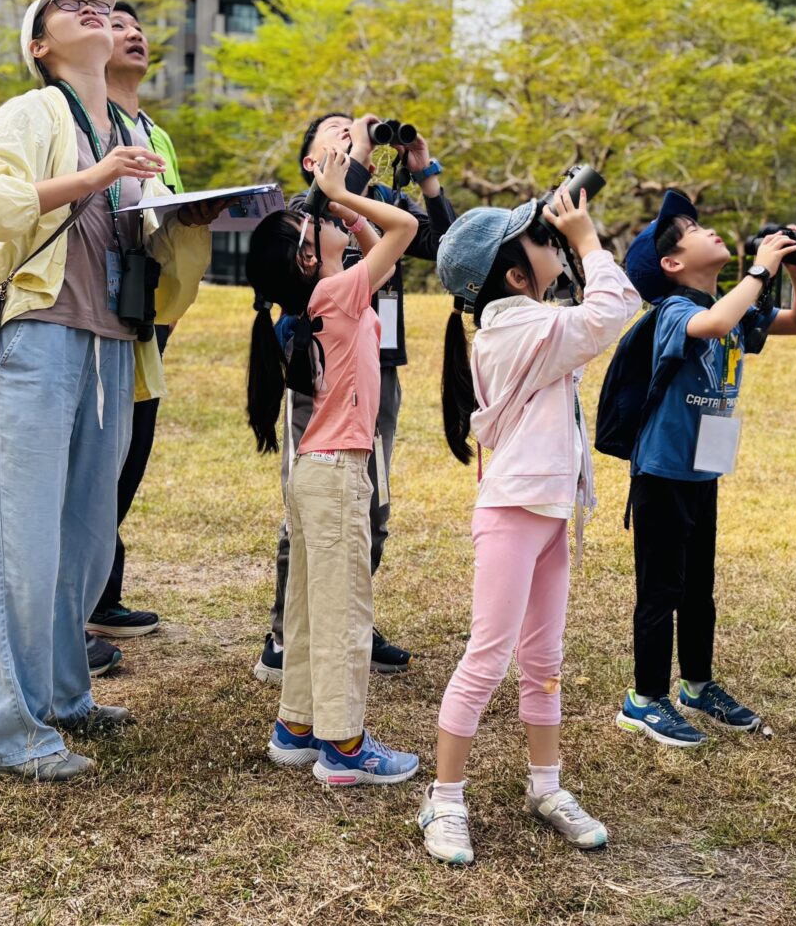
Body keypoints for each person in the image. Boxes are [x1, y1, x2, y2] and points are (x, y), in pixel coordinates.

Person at [0, 0, 212, 783]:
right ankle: (11, 729)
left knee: (87, 539)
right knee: (21, 541)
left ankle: (65, 695)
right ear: (41, 44)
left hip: (114, 344)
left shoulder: (131, 131)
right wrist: (94, 179)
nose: (95, 12)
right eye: (71, 6)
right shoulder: (31, 112)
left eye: (101, 4)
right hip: (38, 340)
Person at [415, 188, 639, 865]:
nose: (556, 242)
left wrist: (569, 241)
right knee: (487, 656)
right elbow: (617, 307)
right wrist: (590, 239)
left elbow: (596, 313)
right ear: (514, 275)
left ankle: (547, 787)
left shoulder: (532, 320)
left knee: (543, 661)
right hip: (514, 514)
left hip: (548, 513)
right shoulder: (518, 329)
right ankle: (444, 797)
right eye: (541, 239)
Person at [253, 111, 457, 686]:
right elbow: (333, 211)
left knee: (374, 506)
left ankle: (349, 621)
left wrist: (426, 174)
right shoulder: (304, 210)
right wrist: (355, 169)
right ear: (310, 162)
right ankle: (285, 635)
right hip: (318, 375)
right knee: (310, 508)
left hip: (377, 366)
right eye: (338, 131)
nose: (351, 135)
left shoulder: (370, 198)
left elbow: (446, 248)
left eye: (357, 129)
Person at [613, 192, 796, 748]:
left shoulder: (737, 305)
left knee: (698, 588)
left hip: (703, 470)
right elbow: (713, 323)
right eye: (692, 229)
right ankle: (644, 698)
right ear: (672, 264)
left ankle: (698, 685)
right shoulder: (675, 312)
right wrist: (761, 267)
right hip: (661, 472)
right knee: (660, 589)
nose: (707, 230)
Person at [248, 147, 421, 787]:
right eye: (310, 219)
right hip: (338, 473)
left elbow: (385, 246)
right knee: (345, 609)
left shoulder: (325, 294)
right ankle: (344, 745)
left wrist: (343, 213)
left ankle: (296, 724)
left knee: (307, 607)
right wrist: (337, 192)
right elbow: (406, 232)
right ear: (304, 255)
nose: (317, 213)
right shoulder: (338, 292)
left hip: (312, 470)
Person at [83, 0, 206, 663]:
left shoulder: (156, 135)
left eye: (138, 28)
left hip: (148, 319)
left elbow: (172, 227)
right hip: (94, 314)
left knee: (126, 462)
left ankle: (100, 598)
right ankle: (72, 617)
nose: (132, 34)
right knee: (92, 463)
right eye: (117, 26)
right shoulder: (83, 119)